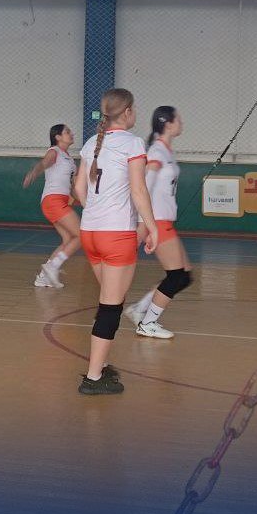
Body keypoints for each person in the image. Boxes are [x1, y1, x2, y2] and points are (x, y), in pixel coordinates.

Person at [74, 88, 157, 395]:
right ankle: (93, 377)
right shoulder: (133, 143)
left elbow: (79, 189)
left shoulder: (91, 144)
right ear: (128, 112)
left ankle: (101, 364)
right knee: (110, 306)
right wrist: (152, 227)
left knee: (113, 301)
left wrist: (96, 211)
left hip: (90, 232)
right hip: (116, 235)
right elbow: (138, 190)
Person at [123, 106, 192, 338]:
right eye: (178, 119)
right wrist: (143, 226)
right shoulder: (156, 152)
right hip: (158, 222)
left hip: (165, 221)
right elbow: (145, 185)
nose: (181, 122)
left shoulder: (165, 151)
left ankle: (140, 309)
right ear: (168, 124)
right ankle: (148, 323)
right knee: (176, 276)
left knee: (184, 276)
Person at [22, 124, 81, 288]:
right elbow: (44, 163)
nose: (71, 134)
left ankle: (43, 277)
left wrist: (87, 203)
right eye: (67, 132)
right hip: (53, 201)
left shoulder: (71, 161)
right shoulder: (54, 151)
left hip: (59, 201)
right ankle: (52, 267)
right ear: (58, 137)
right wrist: (34, 172)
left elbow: (73, 189)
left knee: (69, 239)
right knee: (82, 235)